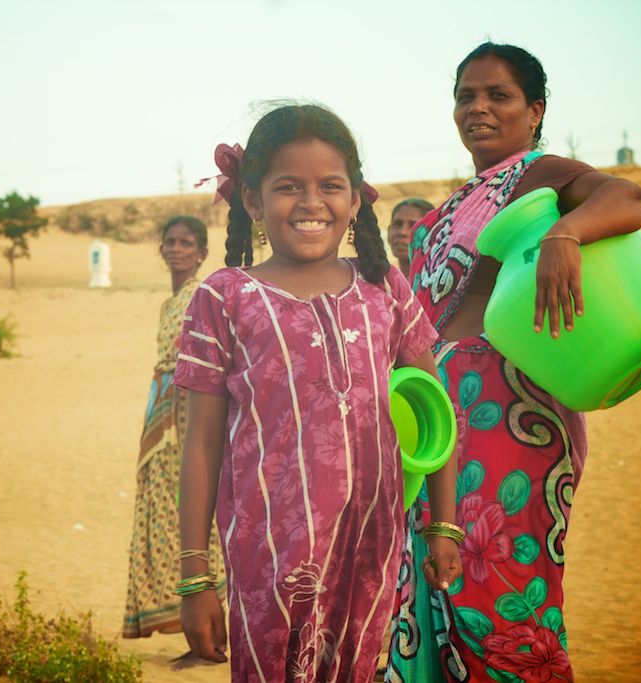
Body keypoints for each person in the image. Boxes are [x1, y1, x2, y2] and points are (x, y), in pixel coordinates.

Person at [386, 43, 641, 682]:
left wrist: (566, 232)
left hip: (510, 411)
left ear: (534, 111)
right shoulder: (448, 208)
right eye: (465, 95)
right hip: (433, 418)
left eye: (497, 95)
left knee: (499, 585)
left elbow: (629, 197)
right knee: (424, 583)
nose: (477, 107)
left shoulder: (542, 174)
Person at [173, 104, 463, 682]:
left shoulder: (384, 289)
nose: (311, 203)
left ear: (356, 200)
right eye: (288, 187)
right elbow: (202, 444)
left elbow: (436, 412)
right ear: (252, 201)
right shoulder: (225, 297)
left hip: (374, 549)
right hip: (269, 561)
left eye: (330, 186)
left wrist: (443, 524)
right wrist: (194, 577)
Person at [122, 215, 227, 648]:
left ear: (202, 252)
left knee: (197, 515)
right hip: (161, 422)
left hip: (187, 421)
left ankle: (214, 633)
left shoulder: (198, 297)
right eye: (170, 241)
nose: (177, 248)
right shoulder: (169, 304)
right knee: (164, 515)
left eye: (186, 242)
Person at [387, 198, 434, 276]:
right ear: (389, 232)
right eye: (397, 224)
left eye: (413, 226)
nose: (402, 232)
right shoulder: (383, 284)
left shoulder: (438, 285)